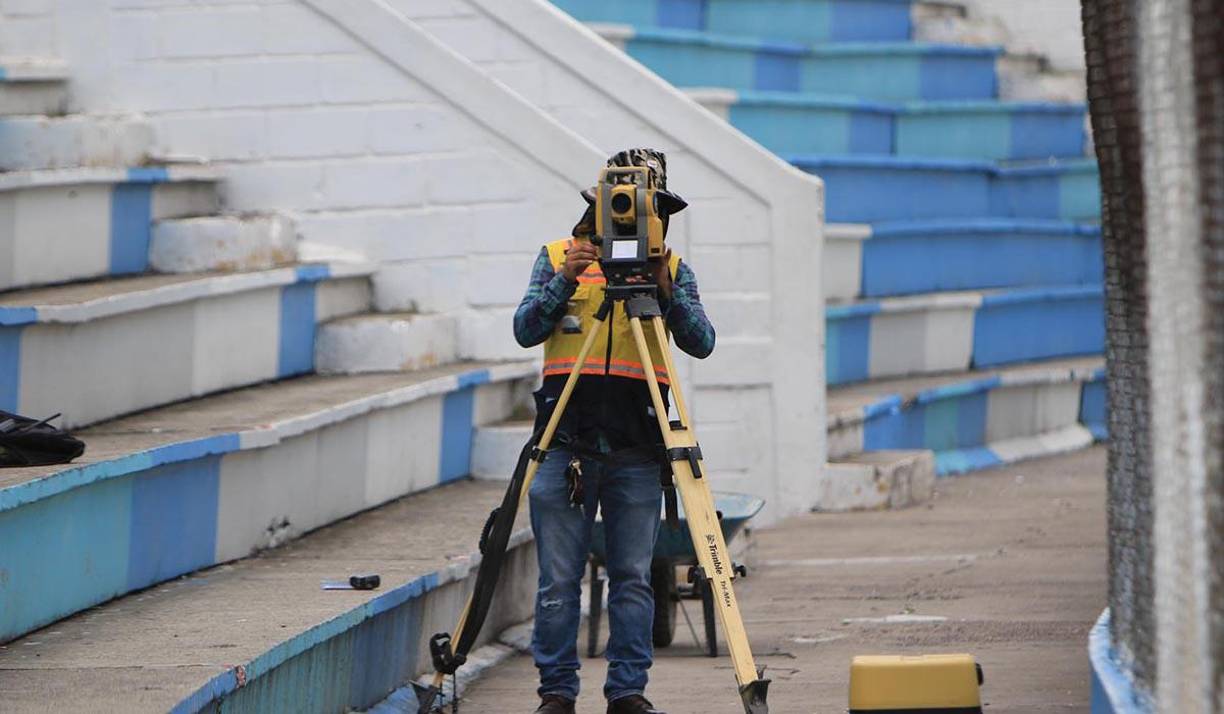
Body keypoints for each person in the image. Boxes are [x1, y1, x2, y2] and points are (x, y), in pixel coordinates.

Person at [513, 149, 716, 714]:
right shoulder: (558, 257)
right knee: (558, 582)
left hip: (637, 447)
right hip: (565, 443)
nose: (631, 217)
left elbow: (701, 341)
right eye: (621, 205)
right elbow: (526, 329)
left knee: (632, 578)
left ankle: (628, 693)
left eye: (645, 207)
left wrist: (662, 287)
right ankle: (556, 693)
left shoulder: (671, 268)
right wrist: (565, 280)